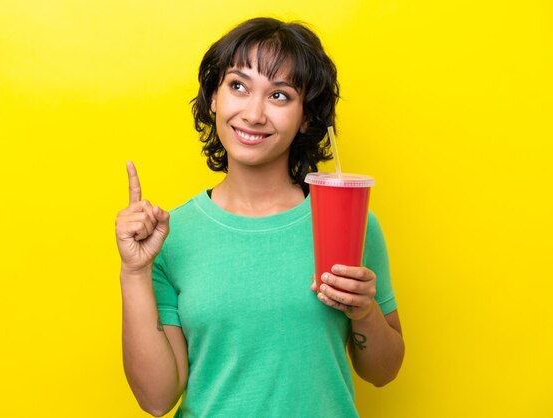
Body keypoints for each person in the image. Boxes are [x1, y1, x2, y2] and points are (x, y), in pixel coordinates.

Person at [115, 17, 404, 418]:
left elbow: (384, 372)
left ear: (305, 117)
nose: (253, 113)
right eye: (238, 86)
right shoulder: (169, 237)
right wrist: (134, 273)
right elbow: (157, 399)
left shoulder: (350, 223)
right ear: (214, 97)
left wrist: (365, 311)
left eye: (280, 96)